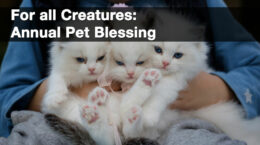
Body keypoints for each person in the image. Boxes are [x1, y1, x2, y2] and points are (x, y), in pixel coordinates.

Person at [0, 0, 260, 138]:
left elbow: (255, 68)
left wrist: (216, 89)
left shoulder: (198, 2)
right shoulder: (41, 5)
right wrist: (74, 86)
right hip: (76, 128)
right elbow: (7, 95)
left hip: (177, 126)